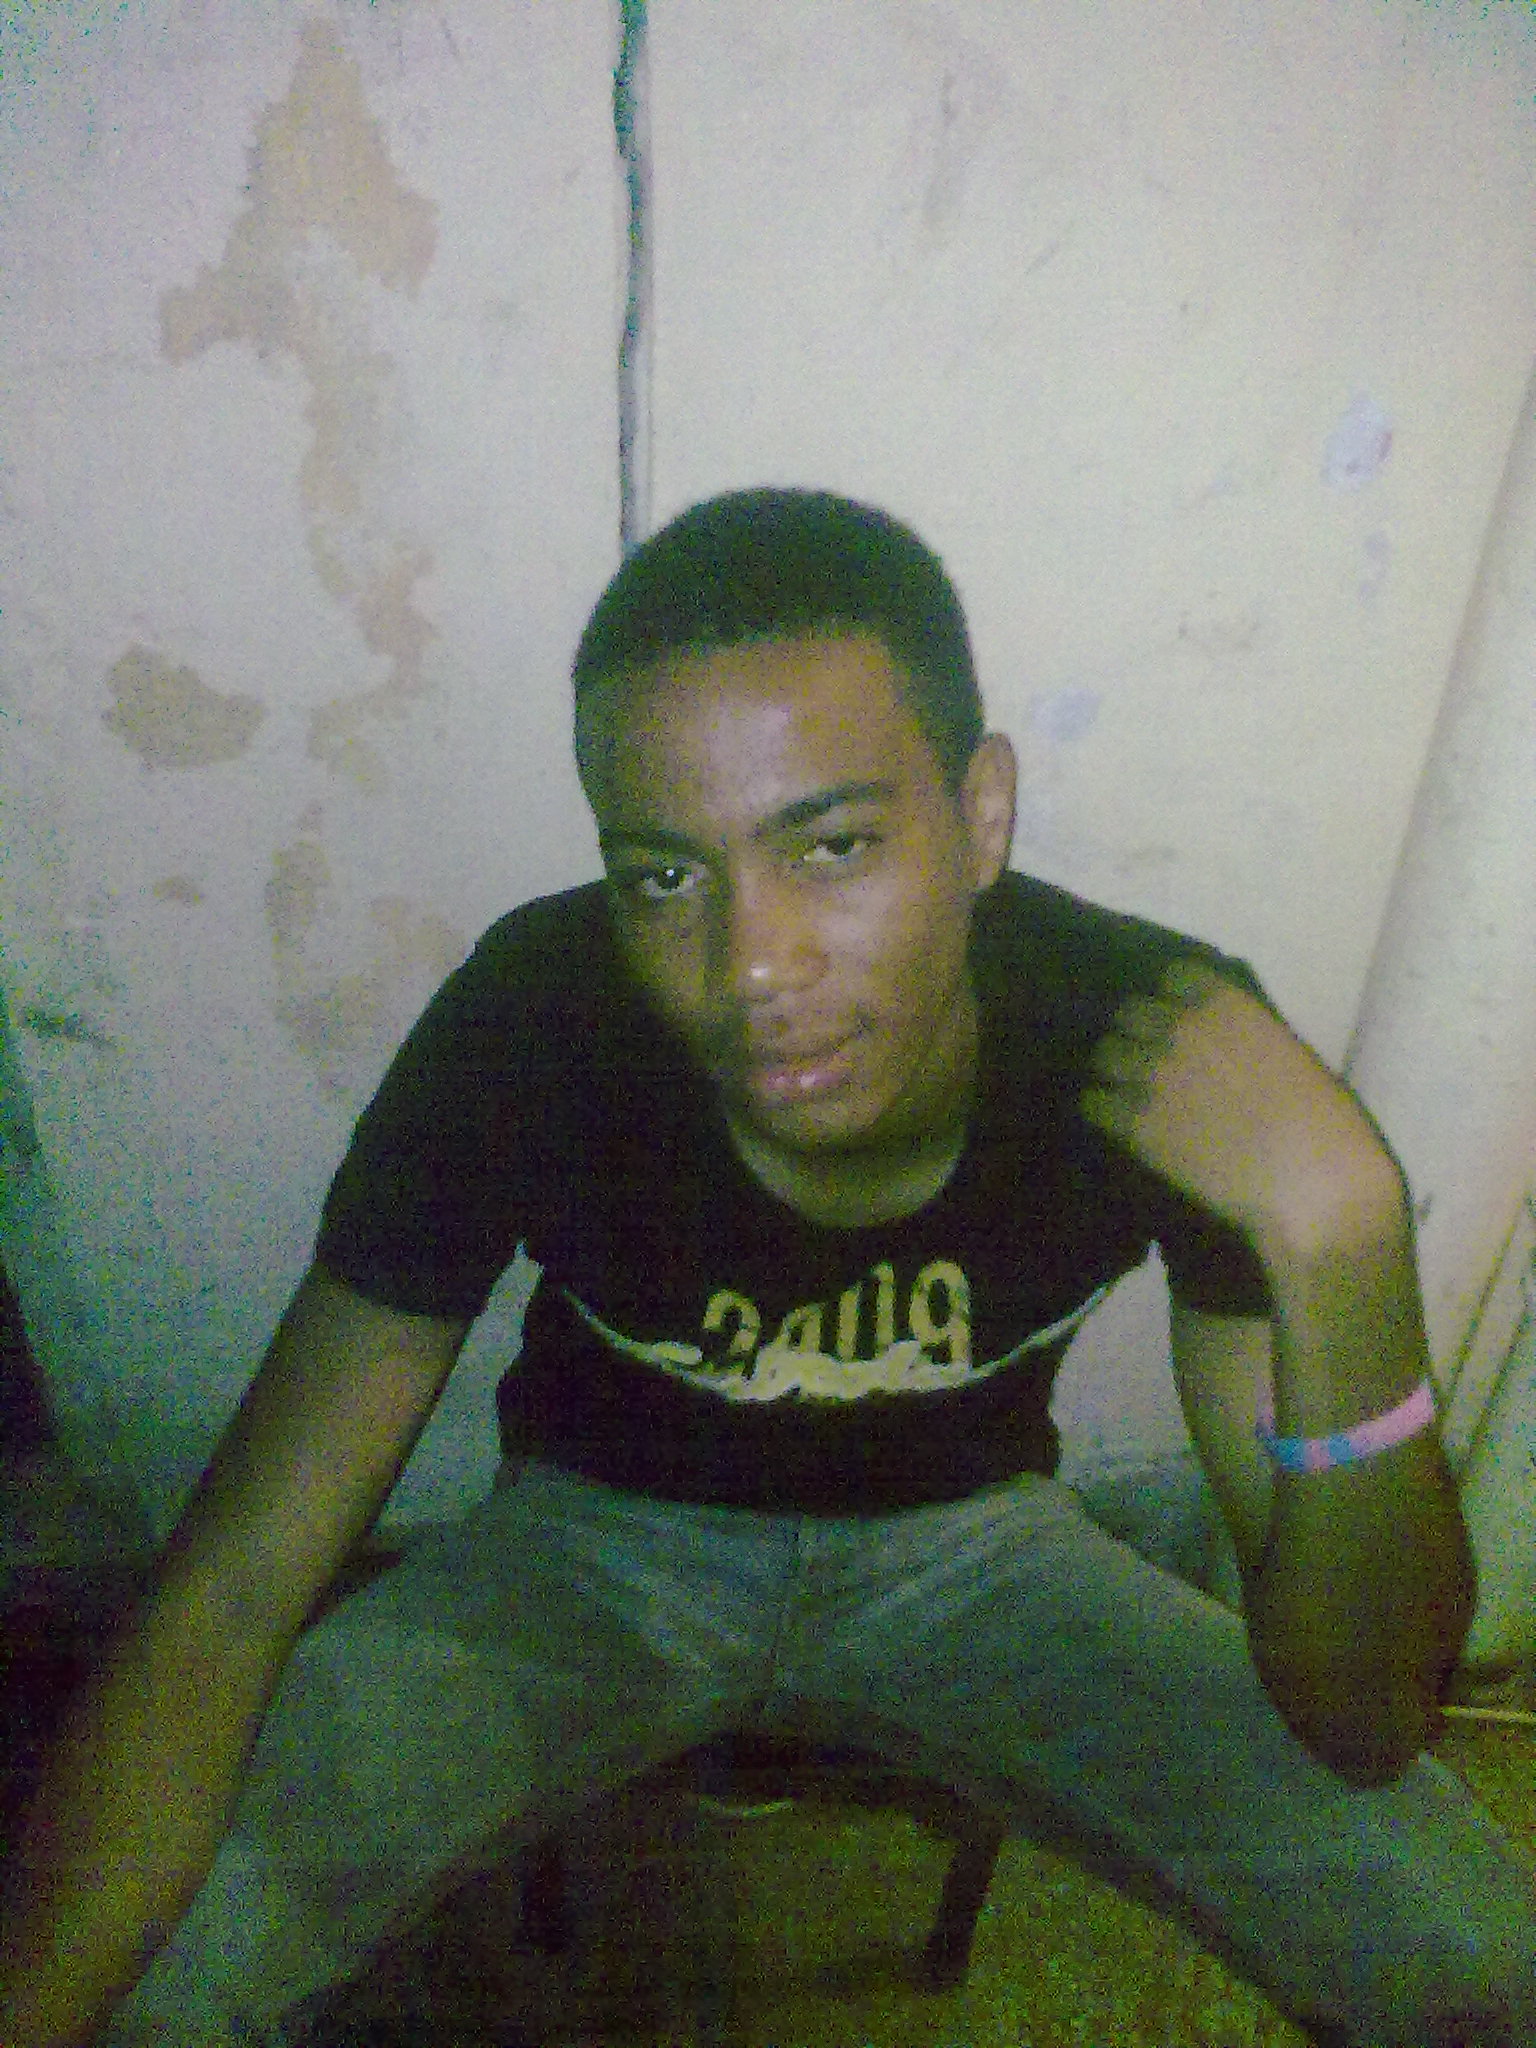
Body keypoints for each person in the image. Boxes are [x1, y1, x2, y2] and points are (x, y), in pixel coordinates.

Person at [2, 488, 1533, 2048]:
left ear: (981, 816)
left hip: (979, 1554)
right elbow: (232, 1588)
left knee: (1475, 1955)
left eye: (834, 845)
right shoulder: (534, 1020)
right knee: (151, 1953)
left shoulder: (1153, 1043)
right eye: (665, 876)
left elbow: (1360, 1723)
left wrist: (1346, 1242)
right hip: (591, 1549)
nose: (749, 965)